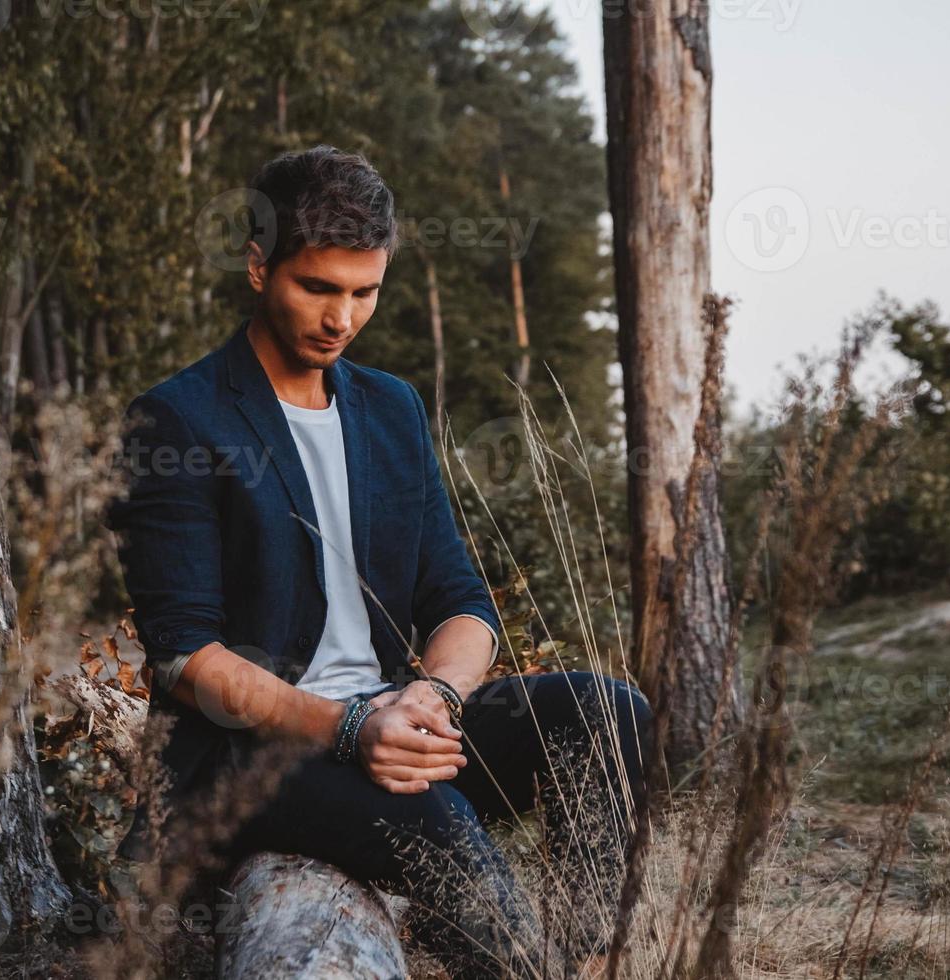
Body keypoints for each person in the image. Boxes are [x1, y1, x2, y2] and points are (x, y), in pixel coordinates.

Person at [104, 144, 650, 977]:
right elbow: (185, 657)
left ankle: (579, 955)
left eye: (365, 292)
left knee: (608, 712)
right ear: (259, 267)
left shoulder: (391, 407)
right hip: (249, 763)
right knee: (432, 821)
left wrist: (430, 697)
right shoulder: (179, 419)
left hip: (395, 728)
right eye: (317, 287)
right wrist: (354, 726)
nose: (342, 318)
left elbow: (462, 601)